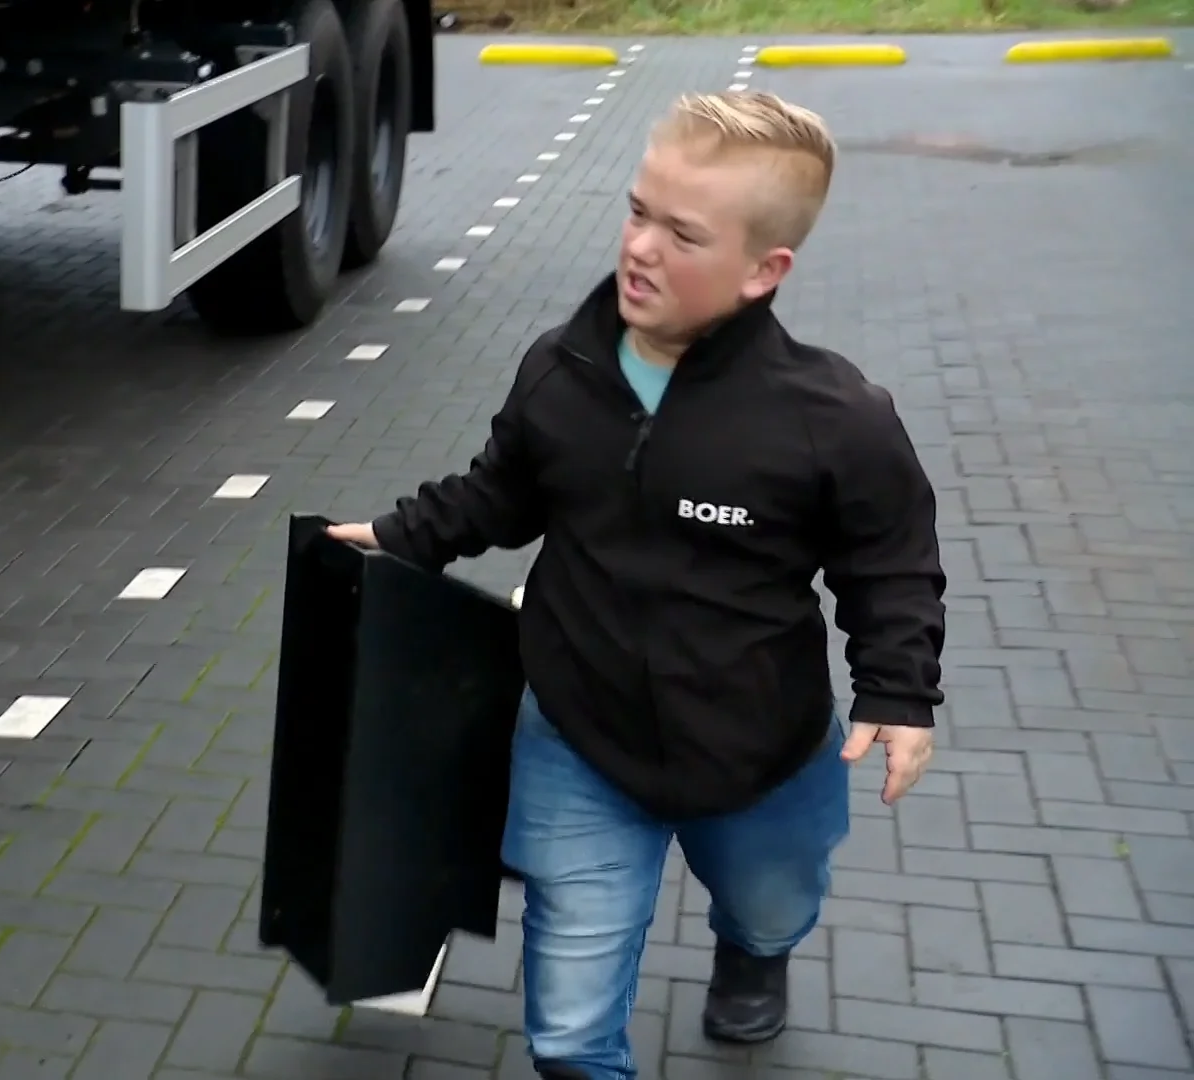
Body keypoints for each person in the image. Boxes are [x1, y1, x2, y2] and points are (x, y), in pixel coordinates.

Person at [325, 90, 947, 1080]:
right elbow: (505, 493)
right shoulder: (559, 371)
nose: (641, 248)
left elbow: (893, 561)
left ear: (762, 271)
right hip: (580, 734)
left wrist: (899, 689)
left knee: (772, 905)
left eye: (682, 233)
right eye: (637, 211)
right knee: (569, 1032)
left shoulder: (836, 418)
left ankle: (754, 955)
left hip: (762, 751)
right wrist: (403, 535)